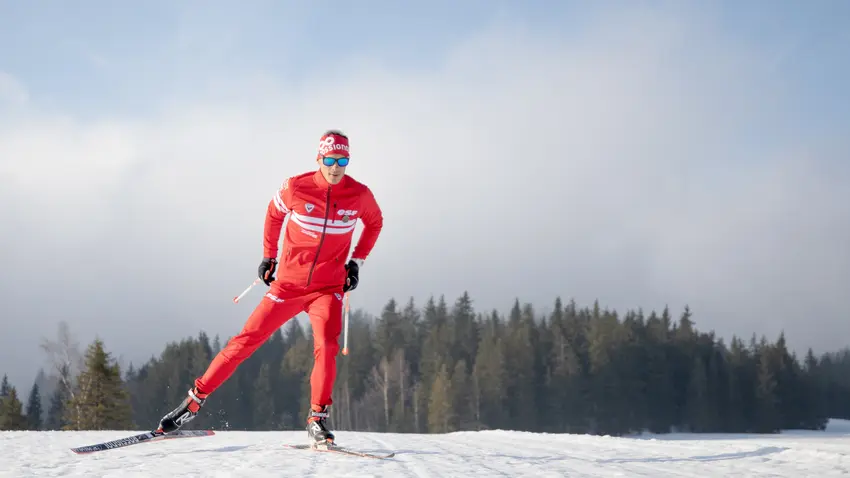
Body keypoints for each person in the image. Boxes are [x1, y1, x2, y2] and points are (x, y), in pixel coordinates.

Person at [155, 129, 384, 447]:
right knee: (246, 340)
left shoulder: (358, 194)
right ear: (319, 158)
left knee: (327, 348)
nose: (335, 167)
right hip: (288, 285)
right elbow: (274, 214)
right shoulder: (296, 186)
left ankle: (317, 419)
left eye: (342, 160)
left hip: (327, 288)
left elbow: (375, 222)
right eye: (329, 159)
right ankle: (192, 402)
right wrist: (268, 256)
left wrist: (356, 261)